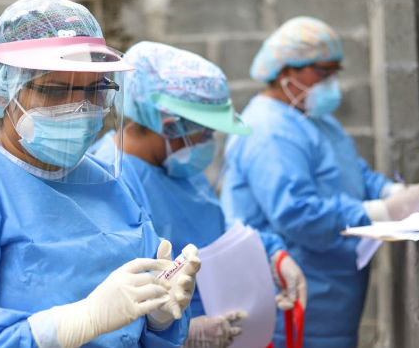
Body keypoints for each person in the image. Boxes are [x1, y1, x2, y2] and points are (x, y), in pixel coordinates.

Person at [0, 0, 200, 348]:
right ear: (3, 88)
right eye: (57, 90)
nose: (80, 107)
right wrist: (72, 324)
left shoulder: (109, 185)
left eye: (95, 90)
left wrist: (158, 317)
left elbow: (136, 330)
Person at [220, 17, 419, 348]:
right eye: (322, 72)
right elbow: (295, 213)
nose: (331, 81)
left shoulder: (316, 120)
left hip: (332, 305)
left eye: (335, 72)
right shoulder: (268, 130)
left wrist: (390, 191)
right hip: (290, 303)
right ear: (285, 70)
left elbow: (353, 172)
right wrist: (380, 211)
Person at [92, 41, 308, 348]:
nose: (209, 142)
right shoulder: (109, 180)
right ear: (170, 127)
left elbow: (216, 230)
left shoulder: (179, 168)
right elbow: (111, 300)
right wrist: (183, 332)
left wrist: (272, 254)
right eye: (205, 133)